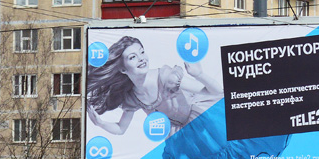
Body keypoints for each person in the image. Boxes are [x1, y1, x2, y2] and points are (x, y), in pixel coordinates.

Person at [87, 36, 221, 136]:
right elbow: (121, 129)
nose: (141, 58)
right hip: (180, 136)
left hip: (202, 120)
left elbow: (215, 92)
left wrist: (199, 74)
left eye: (142, 52)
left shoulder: (167, 77)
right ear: (123, 70)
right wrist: (100, 123)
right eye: (133, 57)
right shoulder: (132, 97)